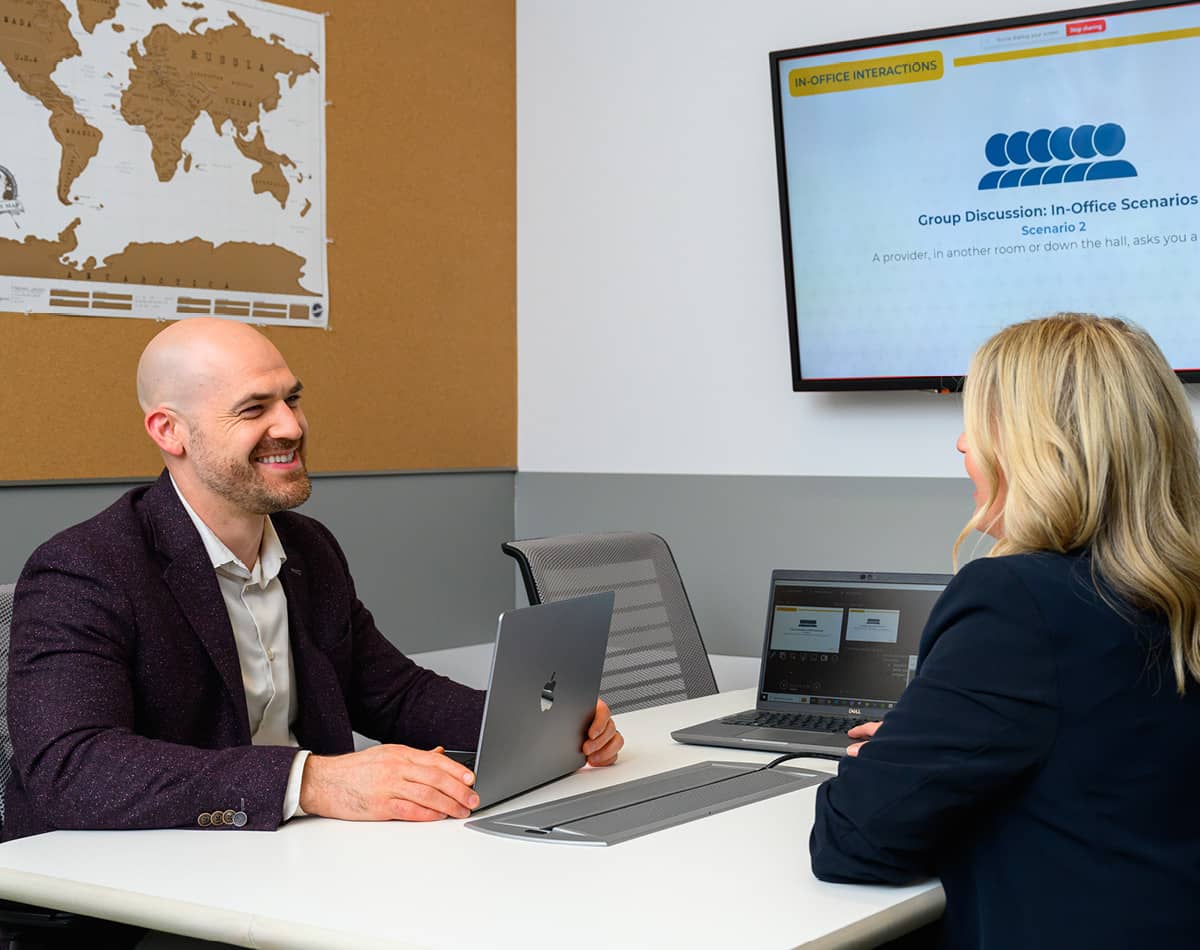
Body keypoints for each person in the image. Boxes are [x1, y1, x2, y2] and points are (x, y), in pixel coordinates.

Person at [4, 317, 623, 842]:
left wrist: (539, 720)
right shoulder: (86, 567)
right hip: (138, 886)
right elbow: (71, 767)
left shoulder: (307, 547)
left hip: (296, 856)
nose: (292, 428)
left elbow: (389, 692)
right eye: (254, 409)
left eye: (291, 399)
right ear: (170, 432)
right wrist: (310, 781)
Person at [809, 313, 1200, 948]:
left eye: (981, 423)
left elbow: (852, 841)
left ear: (1040, 448)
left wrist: (890, 762)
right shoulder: (1174, 586)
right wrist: (941, 745)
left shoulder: (1016, 601)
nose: (963, 445)